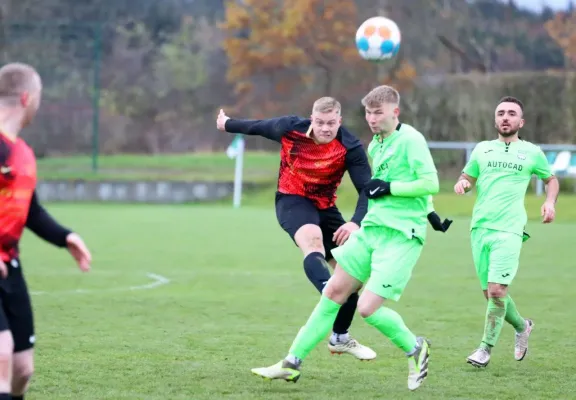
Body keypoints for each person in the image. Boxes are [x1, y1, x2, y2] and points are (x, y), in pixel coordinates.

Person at [249, 85, 440, 391]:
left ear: (395, 112)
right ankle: (291, 363)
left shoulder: (411, 139)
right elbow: (397, 187)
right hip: (373, 229)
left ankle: (415, 348)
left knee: (367, 308)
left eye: (378, 113)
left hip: (401, 235)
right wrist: (430, 212)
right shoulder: (377, 144)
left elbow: (429, 182)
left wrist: (392, 190)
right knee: (333, 293)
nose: (372, 119)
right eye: (368, 112)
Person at [0, 62, 92, 400]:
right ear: (27, 98)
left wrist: (66, 237)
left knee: (23, 369)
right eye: (39, 97)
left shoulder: (22, 153)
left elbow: (31, 211)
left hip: (10, 267)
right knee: (3, 353)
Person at [454, 96, 559, 368]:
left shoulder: (532, 152)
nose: (505, 117)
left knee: (498, 290)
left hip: (510, 229)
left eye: (511, 113)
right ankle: (523, 326)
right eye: (501, 112)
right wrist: (463, 184)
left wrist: (549, 202)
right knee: (490, 295)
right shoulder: (482, 149)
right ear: (495, 119)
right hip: (479, 228)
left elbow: (551, 180)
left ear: (520, 122)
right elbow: (468, 177)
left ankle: (484, 349)